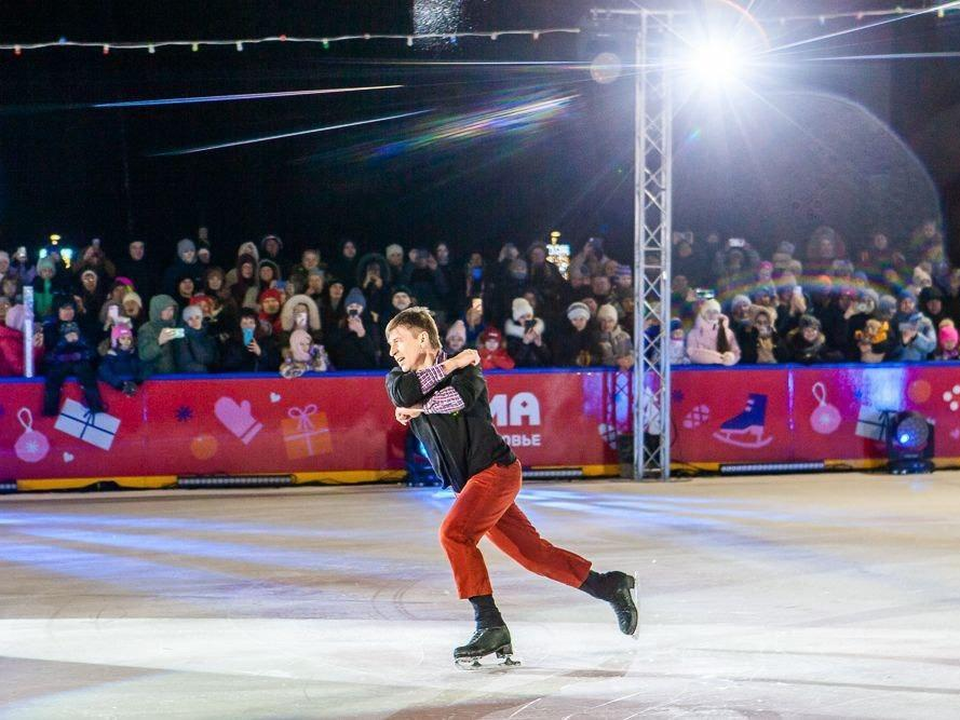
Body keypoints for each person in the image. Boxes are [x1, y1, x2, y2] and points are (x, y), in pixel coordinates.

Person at [384, 307, 638, 665]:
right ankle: (609, 586)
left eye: (398, 341)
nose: (393, 350)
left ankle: (489, 624)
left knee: (453, 534)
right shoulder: (402, 376)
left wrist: (425, 403)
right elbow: (404, 394)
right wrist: (450, 366)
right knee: (533, 555)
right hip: (473, 483)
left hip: (496, 471)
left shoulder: (469, 370)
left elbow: (458, 400)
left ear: (422, 338)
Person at [98, 324, 144, 396]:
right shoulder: (110, 356)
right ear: (115, 340)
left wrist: (136, 382)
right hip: (114, 393)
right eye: (123, 338)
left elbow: (142, 369)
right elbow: (104, 371)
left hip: (133, 391)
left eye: (129, 338)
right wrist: (120, 385)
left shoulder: (134, 354)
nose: (126, 341)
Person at [176, 305, 219, 373]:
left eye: (197, 317)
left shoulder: (209, 333)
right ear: (185, 321)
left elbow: (217, 357)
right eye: (190, 318)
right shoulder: (183, 338)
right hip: (195, 378)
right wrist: (207, 372)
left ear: (201, 318)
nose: (194, 321)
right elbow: (185, 363)